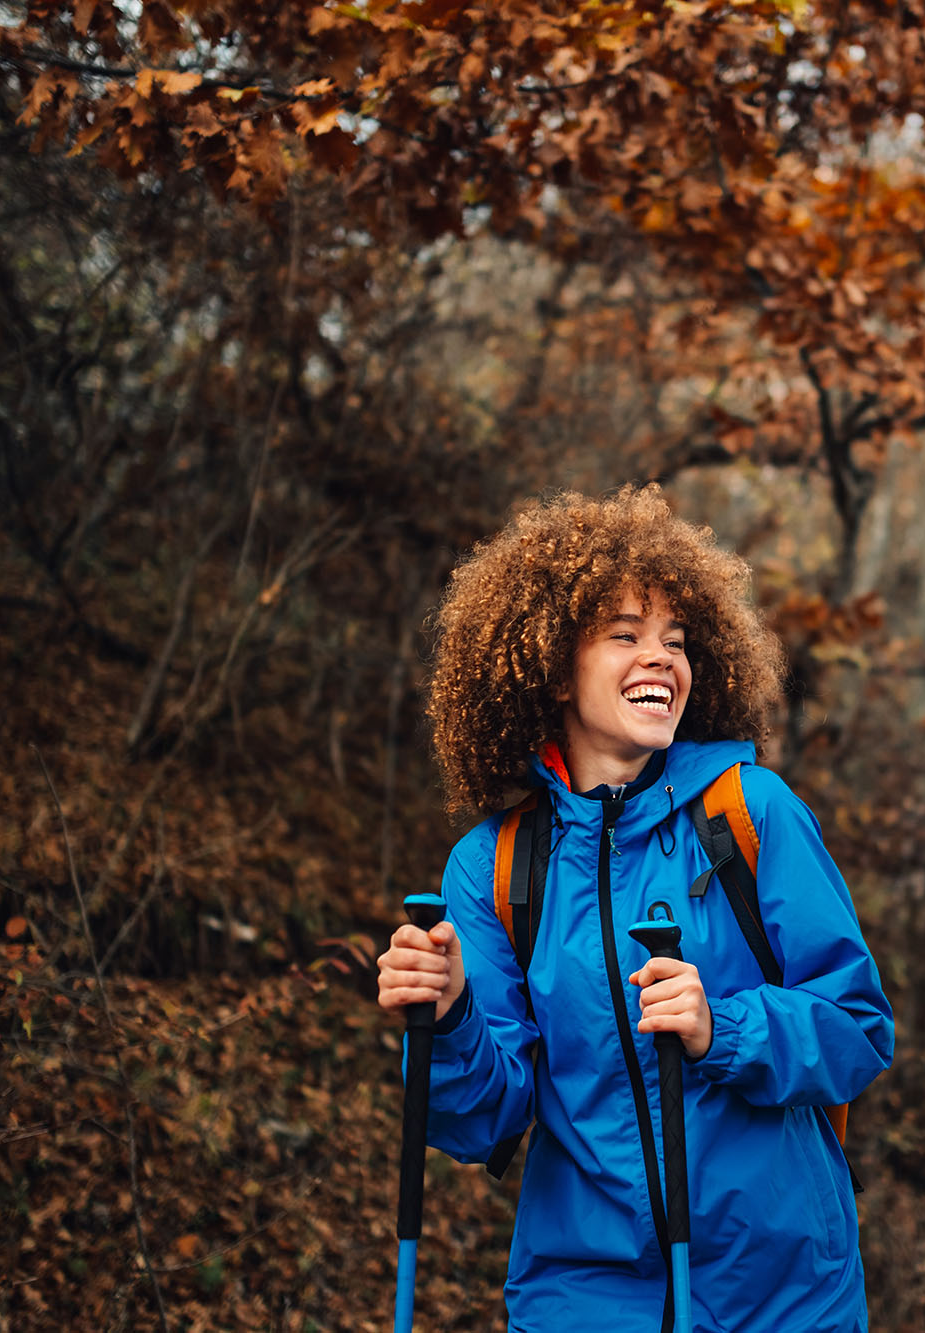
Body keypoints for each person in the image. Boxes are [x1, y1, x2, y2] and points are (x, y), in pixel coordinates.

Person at [376, 484, 893, 1332]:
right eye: (625, 635)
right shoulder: (495, 868)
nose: (661, 659)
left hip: (781, 1293)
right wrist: (451, 1014)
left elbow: (858, 1027)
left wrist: (720, 1029)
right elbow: (479, 1119)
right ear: (550, 663)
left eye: (677, 641)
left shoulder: (751, 814)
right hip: (581, 1298)